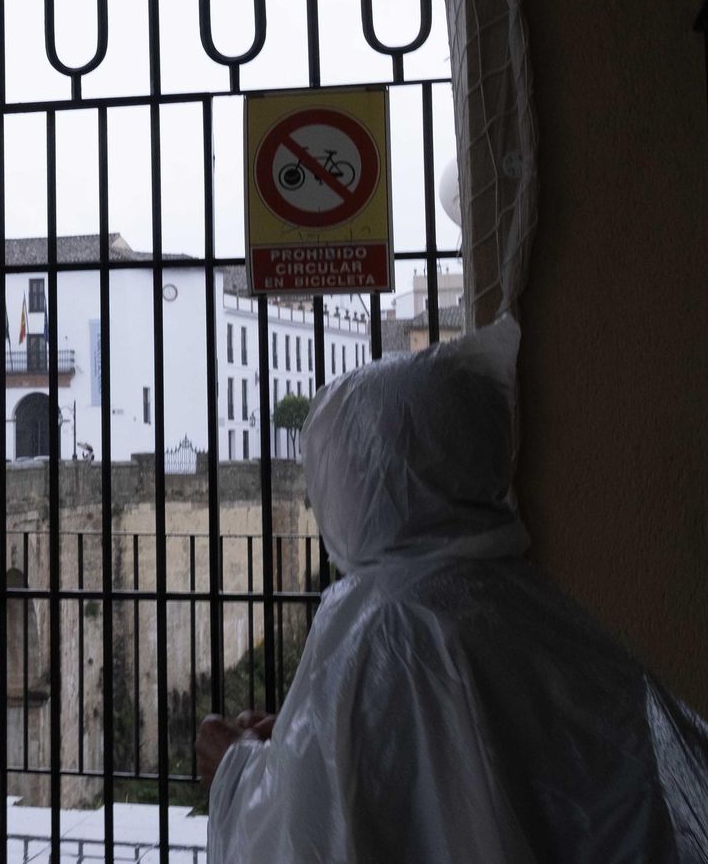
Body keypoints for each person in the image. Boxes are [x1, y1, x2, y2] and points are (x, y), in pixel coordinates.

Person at [199, 317, 708, 863]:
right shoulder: (538, 608)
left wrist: (232, 765)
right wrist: (308, 740)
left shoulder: (388, 627)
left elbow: (306, 839)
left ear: (355, 476)